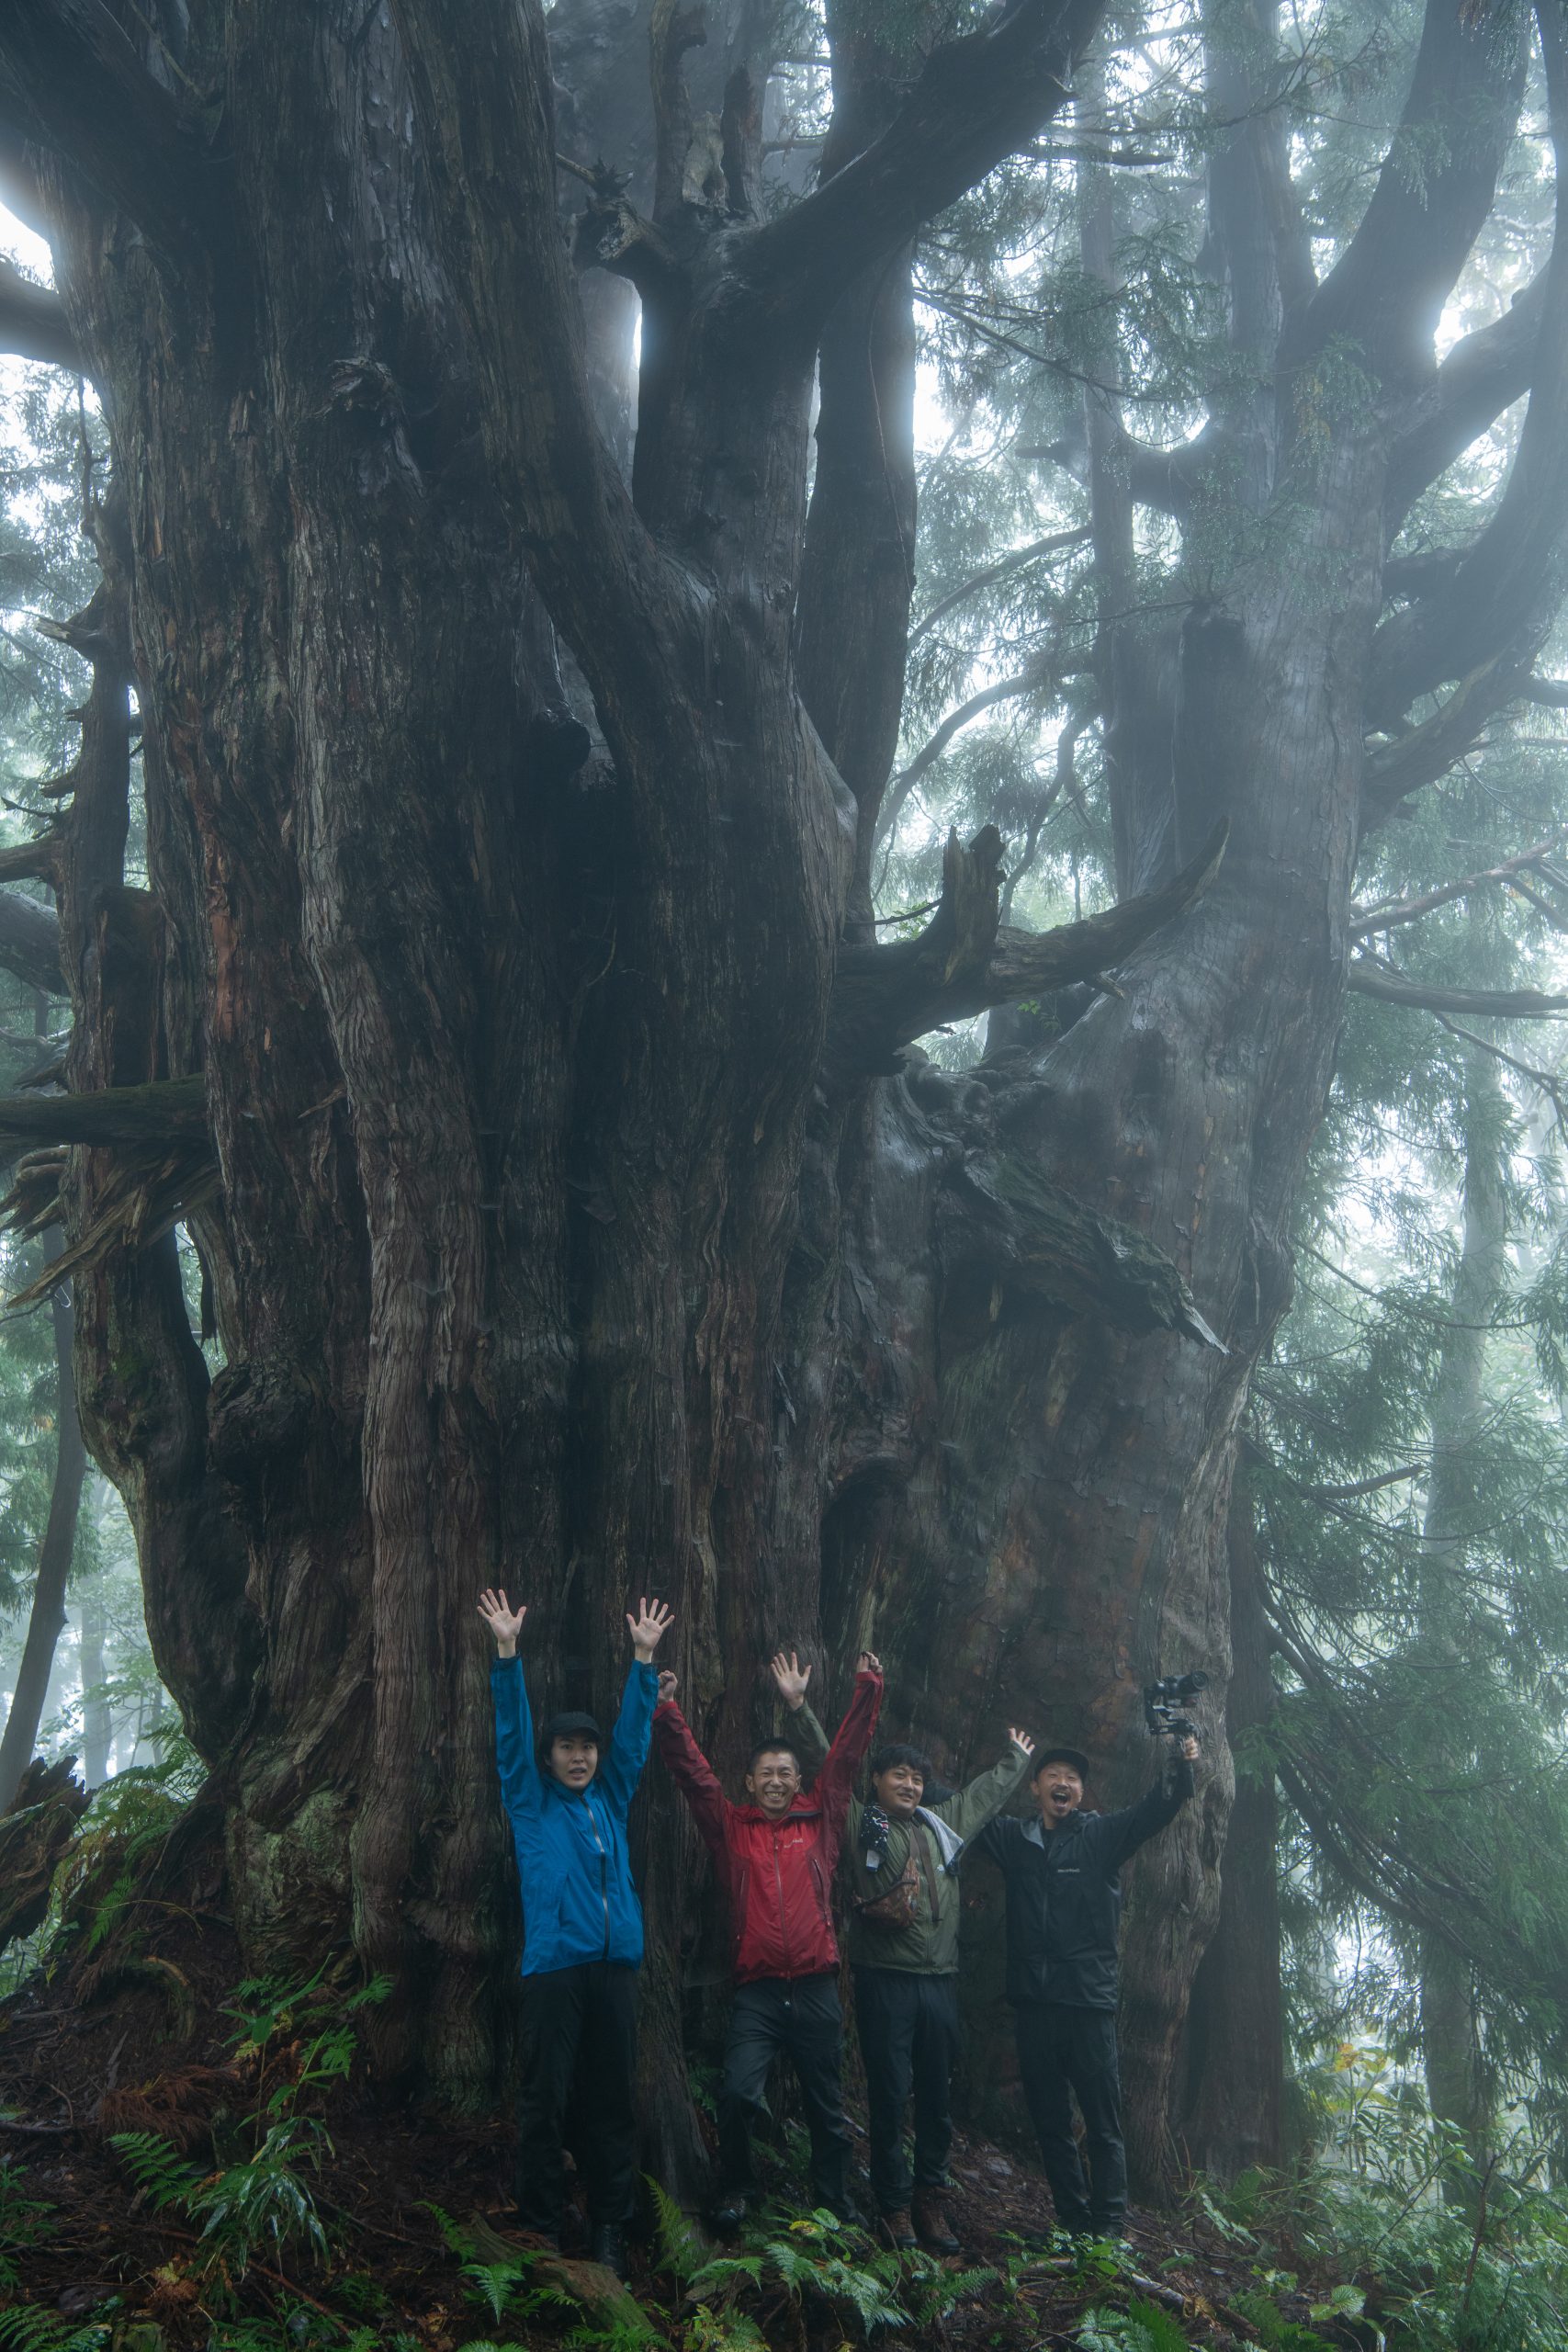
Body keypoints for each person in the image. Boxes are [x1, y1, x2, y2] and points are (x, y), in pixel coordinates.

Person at [777, 1650, 1034, 2255]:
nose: (909, 1785)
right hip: (884, 1982)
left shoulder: (942, 1824)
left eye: (916, 1779)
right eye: (898, 1775)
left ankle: (930, 2201)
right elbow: (830, 1763)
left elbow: (983, 1796)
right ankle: (892, 2205)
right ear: (876, 1781)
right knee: (890, 2094)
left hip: (939, 1984)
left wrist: (1016, 1760)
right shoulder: (861, 1821)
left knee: (937, 2098)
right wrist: (798, 1709)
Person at [478, 1586, 674, 2278]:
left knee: (612, 2102)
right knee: (545, 2100)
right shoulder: (530, 1804)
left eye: (587, 1747)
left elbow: (634, 1742)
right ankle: (539, 2225)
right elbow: (510, 1739)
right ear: (551, 1756)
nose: (580, 1757)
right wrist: (507, 1653)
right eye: (567, 1747)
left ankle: (610, 2228)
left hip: (615, 1970)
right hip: (554, 1970)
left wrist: (642, 1663)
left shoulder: (612, 1801)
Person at [652, 1650, 883, 2228]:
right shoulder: (733, 1829)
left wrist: (868, 1687)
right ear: (750, 1782)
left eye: (785, 1774)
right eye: (766, 1774)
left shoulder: (821, 1821)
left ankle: (833, 2204)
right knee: (736, 2093)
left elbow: (845, 1758)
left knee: (827, 2104)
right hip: (757, 1992)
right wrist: (667, 1712)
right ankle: (737, 2188)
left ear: (798, 1782)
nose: (776, 1782)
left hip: (816, 1987)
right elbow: (695, 1779)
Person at [971, 1734, 1200, 2243]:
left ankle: (1110, 2228)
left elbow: (1155, 1810)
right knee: (1050, 2121)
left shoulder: (1100, 1836)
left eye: (1072, 1778)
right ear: (1035, 1788)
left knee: (1102, 2120)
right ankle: (1073, 2223)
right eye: (1053, 1775)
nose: (1063, 1783)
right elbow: (965, 1811)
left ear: (1080, 1792)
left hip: (1087, 2004)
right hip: (1034, 2006)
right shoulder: (1015, 1839)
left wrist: (1180, 1765)